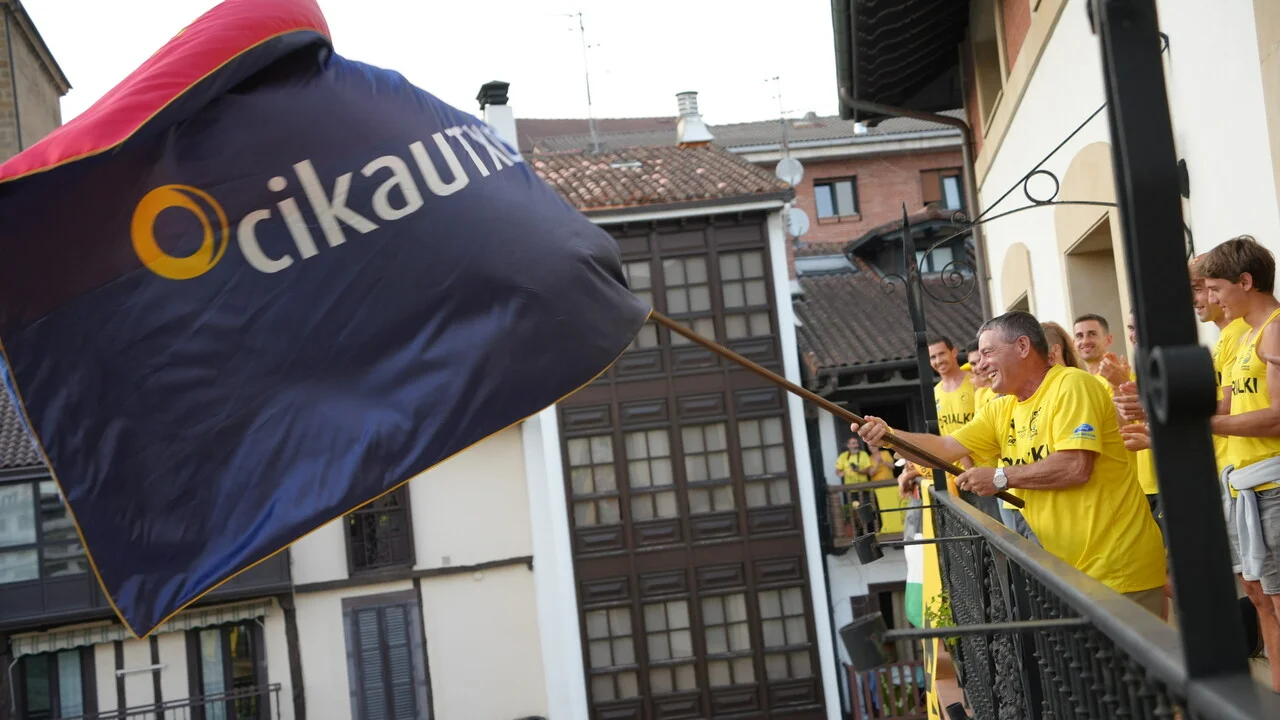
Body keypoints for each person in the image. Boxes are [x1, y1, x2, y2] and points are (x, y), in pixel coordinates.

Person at [854, 311, 1167, 614]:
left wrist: (1000, 477)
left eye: (988, 352)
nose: (980, 364)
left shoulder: (1072, 385)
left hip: (1119, 568)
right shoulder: (1001, 409)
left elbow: (1075, 467)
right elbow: (945, 447)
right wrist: (890, 436)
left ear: (1022, 346)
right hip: (1072, 573)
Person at [1195, 235, 1280, 690]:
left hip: (1273, 484)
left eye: (1216, 288)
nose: (1211, 299)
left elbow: (1278, 416)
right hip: (1247, 484)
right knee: (1264, 598)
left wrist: (1199, 426)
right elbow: (1229, 407)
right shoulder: (1245, 335)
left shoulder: (1275, 329)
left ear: (1245, 281)